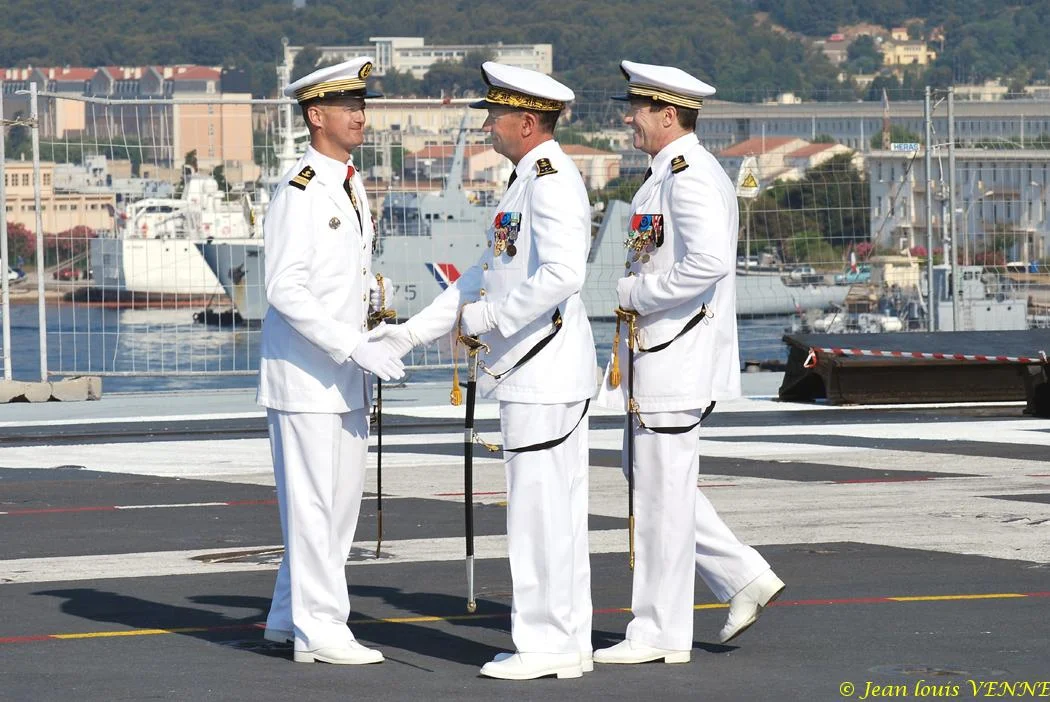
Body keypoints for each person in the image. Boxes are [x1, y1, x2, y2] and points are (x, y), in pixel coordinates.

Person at [387, 62, 597, 681]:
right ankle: (564, 641)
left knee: (539, 516)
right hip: (534, 370)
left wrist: (486, 320)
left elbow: (563, 275)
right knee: (547, 513)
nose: (487, 126)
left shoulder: (551, 180)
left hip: (544, 370)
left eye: (495, 115)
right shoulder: (524, 181)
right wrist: (409, 333)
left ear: (526, 122)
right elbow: (484, 271)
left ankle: (544, 646)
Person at [594, 60, 785, 666]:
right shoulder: (662, 177)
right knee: (654, 483)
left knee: (659, 497)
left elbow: (707, 263)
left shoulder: (691, 176)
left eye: (638, 110)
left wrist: (638, 296)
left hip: (674, 356)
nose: (630, 120)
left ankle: (658, 632)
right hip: (656, 355)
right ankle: (742, 575)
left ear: (667, 114)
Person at [257, 55, 410, 665]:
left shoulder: (349, 181)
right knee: (318, 508)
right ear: (316, 115)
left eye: (363, 105)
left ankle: (284, 613)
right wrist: (351, 343)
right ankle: (319, 630)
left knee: (335, 505)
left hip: (344, 374)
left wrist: (372, 299)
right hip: (307, 376)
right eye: (350, 107)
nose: (361, 116)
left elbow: (336, 274)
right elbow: (284, 288)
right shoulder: (301, 188)